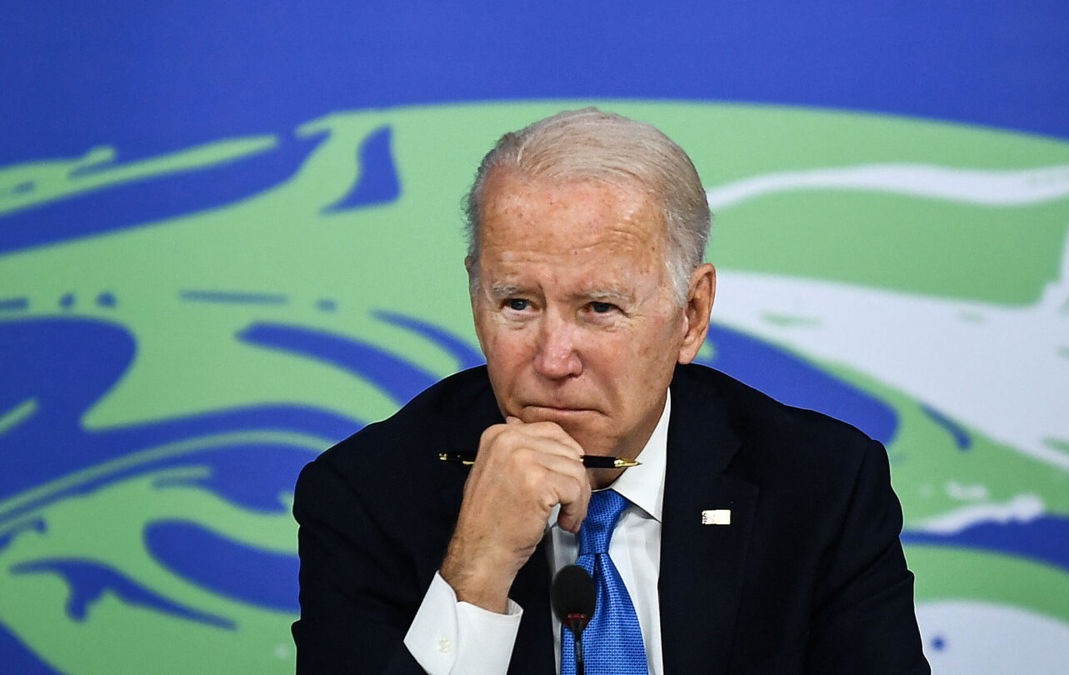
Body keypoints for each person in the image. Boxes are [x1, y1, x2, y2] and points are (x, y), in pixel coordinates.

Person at [292, 108, 929, 674]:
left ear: (691, 313)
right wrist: (474, 576)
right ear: (474, 295)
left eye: (598, 307)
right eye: (517, 303)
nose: (552, 358)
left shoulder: (820, 485)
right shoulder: (367, 494)